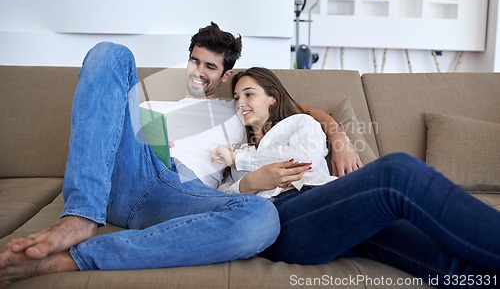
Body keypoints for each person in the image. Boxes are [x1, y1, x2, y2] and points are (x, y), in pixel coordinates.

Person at [0, 23, 359, 288]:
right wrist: (151, 139)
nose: (199, 73)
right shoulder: (152, 104)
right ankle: (80, 216)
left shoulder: (237, 109)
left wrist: (339, 135)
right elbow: (107, 130)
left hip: (179, 195)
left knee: (261, 217)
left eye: (210, 67)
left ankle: (76, 259)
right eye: (195, 61)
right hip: (131, 173)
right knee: (111, 53)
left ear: (226, 74)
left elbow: (298, 109)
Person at [212, 67, 500, 286]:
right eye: (236, 97)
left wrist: (242, 160)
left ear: (273, 97)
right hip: (281, 218)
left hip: (329, 205)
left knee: (439, 258)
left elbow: (303, 161)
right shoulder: (235, 147)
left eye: (249, 94)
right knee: (396, 171)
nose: (240, 102)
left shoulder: (300, 123)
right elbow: (216, 199)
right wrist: (247, 182)